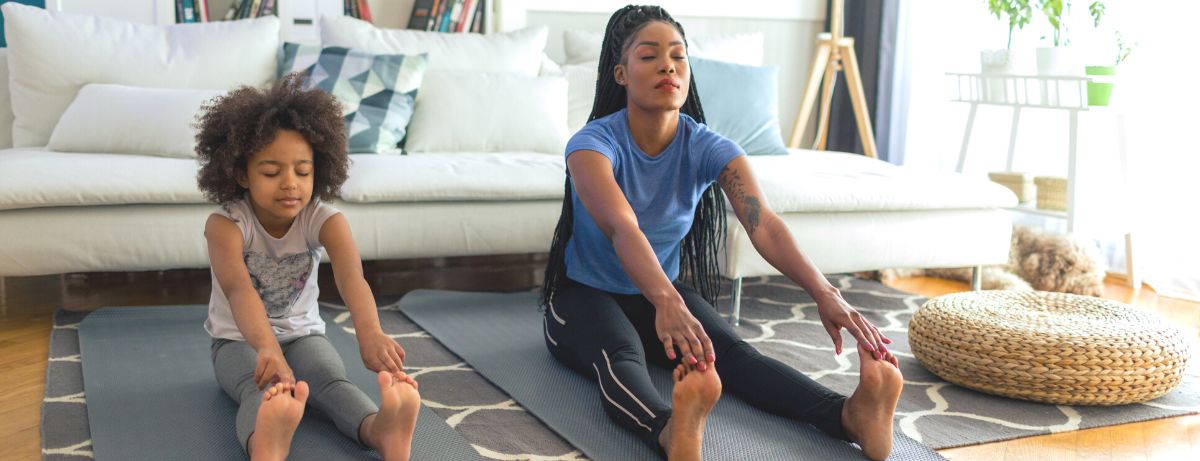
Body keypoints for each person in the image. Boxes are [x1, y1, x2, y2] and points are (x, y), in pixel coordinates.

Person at [538, 6, 904, 461]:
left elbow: (763, 223)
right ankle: (672, 429)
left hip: (662, 295)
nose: (667, 65)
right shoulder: (592, 145)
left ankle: (849, 416)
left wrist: (825, 292)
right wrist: (668, 302)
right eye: (649, 56)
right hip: (583, 295)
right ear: (621, 74)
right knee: (619, 353)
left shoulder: (709, 147)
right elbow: (620, 226)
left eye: (678, 55)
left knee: (733, 356)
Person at [196, 74, 420, 461]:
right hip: (238, 341)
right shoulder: (226, 225)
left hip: (304, 335)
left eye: (303, 171)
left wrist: (370, 333)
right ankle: (264, 443)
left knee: (330, 381)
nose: (290, 184)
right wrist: (266, 347)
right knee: (263, 389)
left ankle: (379, 430)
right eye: (271, 172)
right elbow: (238, 289)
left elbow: (352, 277)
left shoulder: (325, 220)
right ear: (240, 173)